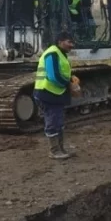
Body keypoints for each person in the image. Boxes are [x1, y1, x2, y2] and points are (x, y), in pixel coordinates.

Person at [33, 31, 80, 160]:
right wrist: (69, 85)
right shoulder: (52, 54)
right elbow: (53, 76)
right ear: (60, 41)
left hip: (55, 93)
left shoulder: (61, 54)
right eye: (69, 42)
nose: (72, 45)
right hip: (47, 93)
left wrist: (71, 77)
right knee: (53, 122)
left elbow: (61, 71)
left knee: (58, 122)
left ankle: (60, 148)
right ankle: (54, 151)